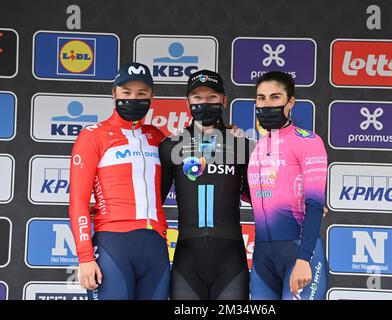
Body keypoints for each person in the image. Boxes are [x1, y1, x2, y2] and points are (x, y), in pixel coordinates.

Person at [69, 62, 170, 300]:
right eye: (126, 93)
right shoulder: (93, 135)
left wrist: (224, 134)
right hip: (113, 244)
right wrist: (85, 257)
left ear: (151, 96)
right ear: (114, 93)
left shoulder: (157, 137)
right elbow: (78, 201)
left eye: (141, 93)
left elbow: (194, 155)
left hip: (155, 246)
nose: (133, 99)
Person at [159, 70, 253, 300]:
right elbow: (151, 201)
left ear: (224, 100)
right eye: (197, 97)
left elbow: (262, 196)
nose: (204, 103)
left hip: (230, 260)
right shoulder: (171, 146)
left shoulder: (242, 144)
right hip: (187, 260)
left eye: (212, 97)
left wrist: (301, 206)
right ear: (188, 102)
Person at [247, 71, 328, 300]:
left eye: (275, 97)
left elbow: (314, 205)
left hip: (300, 252)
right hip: (263, 256)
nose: (266, 103)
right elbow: (257, 195)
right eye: (261, 98)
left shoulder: (308, 141)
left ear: (290, 102)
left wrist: (304, 259)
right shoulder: (258, 148)